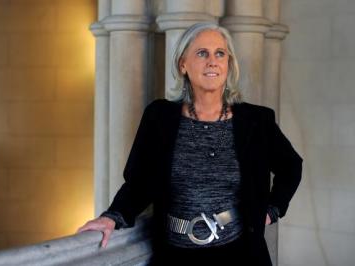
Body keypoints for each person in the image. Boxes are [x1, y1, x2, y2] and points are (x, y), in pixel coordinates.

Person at [77, 22, 302, 265]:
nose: (212, 61)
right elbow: (138, 182)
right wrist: (113, 216)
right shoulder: (159, 116)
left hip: (240, 254)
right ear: (183, 64)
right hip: (175, 255)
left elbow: (291, 166)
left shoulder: (256, 120)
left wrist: (271, 210)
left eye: (220, 53)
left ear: (228, 63)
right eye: (202, 53)